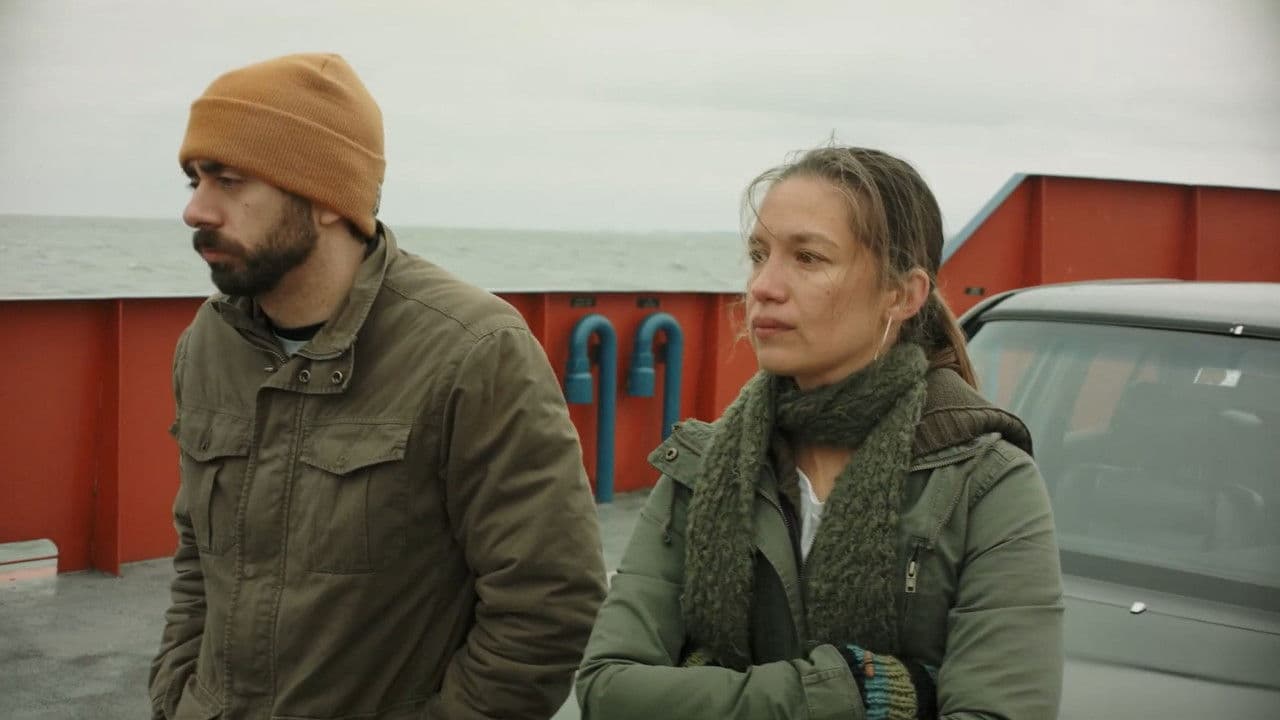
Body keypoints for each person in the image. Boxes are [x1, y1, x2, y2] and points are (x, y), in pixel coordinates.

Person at [148, 53, 607, 720]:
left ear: (326, 198)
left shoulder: (472, 351)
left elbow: (549, 603)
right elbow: (200, 561)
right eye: (195, 180)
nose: (195, 209)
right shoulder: (209, 344)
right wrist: (175, 695)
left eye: (228, 180)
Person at [576, 146, 1064, 719]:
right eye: (759, 255)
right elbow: (608, 689)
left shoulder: (984, 485)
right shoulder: (702, 467)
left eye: (807, 258)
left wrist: (702, 691)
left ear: (902, 295)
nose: (763, 286)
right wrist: (851, 694)